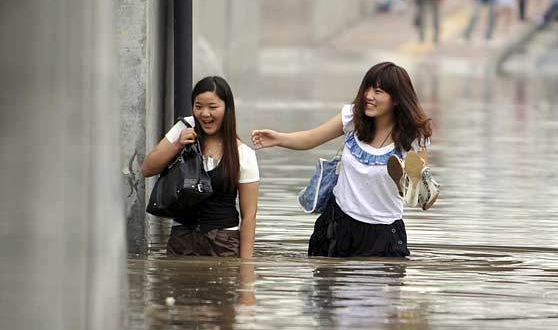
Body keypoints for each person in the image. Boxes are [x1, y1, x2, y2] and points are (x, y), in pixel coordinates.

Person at [250, 62, 436, 258]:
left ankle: (405, 184)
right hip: (338, 223)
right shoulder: (353, 118)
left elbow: (421, 193)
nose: (368, 96)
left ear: (396, 99)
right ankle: (404, 183)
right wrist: (278, 139)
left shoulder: (415, 137)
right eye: (367, 88)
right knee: (330, 276)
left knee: (382, 277)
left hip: (384, 231)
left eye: (378, 91)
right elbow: (312, 137)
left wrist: (414, 185)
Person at [142, 76, 260, 258]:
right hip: (181, 238)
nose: (205, 114)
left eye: (213, 107)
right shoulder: (184, 127)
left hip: (223, 242)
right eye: (198, 106)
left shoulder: (244, 154)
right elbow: (147, 169)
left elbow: (249, 217)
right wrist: (177, 145)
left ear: (227, 108)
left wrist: (246, 267)